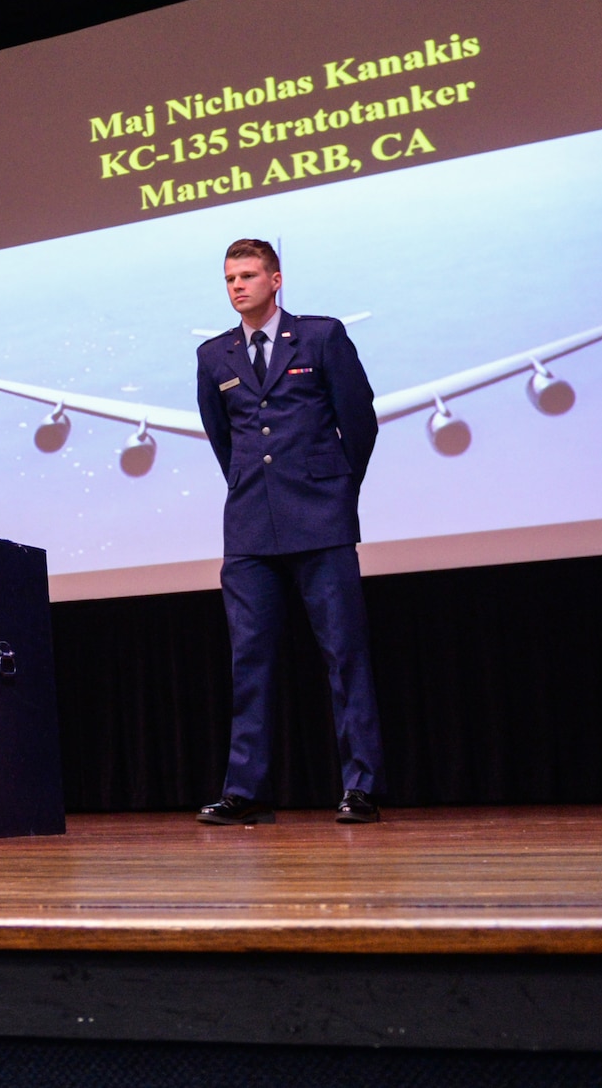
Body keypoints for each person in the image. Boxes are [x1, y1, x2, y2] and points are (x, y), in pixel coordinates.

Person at [193, 238, 384, 825]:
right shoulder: (213, 355)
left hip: (320, 520)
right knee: (249, 661)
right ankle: (245, 792)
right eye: (230, 278)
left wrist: (336, 491)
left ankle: (361, 788)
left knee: (343, 656)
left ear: (276, 280)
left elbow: (360, 419)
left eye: (248, 275)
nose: (237, 287)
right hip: (250, 527)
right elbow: (222, 439)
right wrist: (254, 488)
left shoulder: (322, 337)